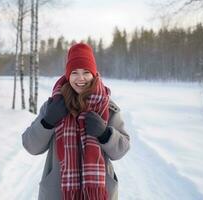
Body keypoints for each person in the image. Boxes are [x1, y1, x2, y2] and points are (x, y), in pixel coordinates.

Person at [22, 43, 130, 200]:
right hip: (58, 192)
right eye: (74, 73)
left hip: (99, 194)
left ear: (94, 74)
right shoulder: (53, 106)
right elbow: (31, 146)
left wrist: (105, 134)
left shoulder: (108, 107)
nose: (81, 78)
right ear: (67, 75)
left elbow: (122, 150)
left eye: (86, 72)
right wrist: (48, 122)